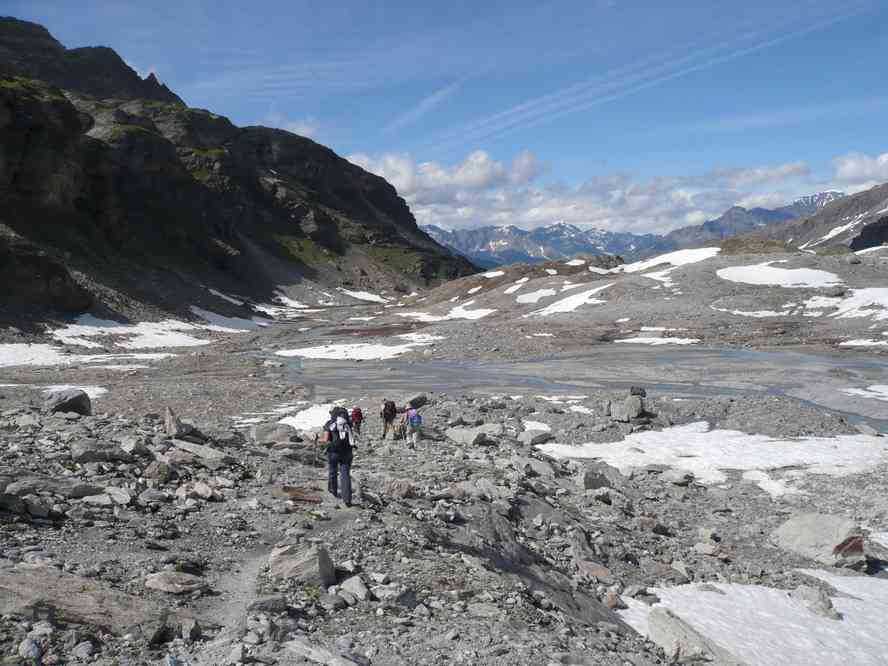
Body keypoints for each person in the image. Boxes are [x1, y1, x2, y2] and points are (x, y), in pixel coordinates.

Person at [323, 415, 355, 506]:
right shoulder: (348, 423)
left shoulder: (330, 423)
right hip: (347, 452)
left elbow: (325, 439)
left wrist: (319, 440)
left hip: (334, 452)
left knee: (332, 470)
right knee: (345, 474)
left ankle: (333, 491)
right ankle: (347, 499)